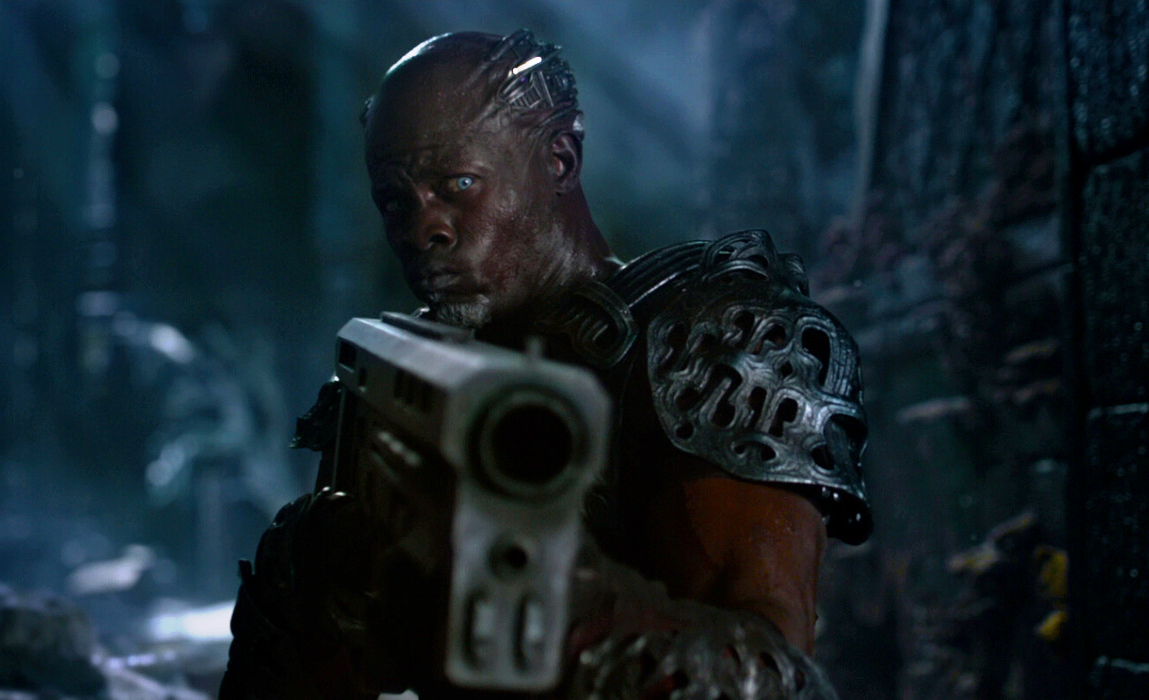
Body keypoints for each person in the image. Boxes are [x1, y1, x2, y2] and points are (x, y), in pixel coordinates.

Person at [220, 29, 871, 699]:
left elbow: (769, 681)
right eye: (395, 200)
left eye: (458, 184)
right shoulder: (400, 376)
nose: (422, 229)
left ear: (559, 159)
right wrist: (331, 585)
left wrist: (558, 599)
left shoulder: (703, 342)